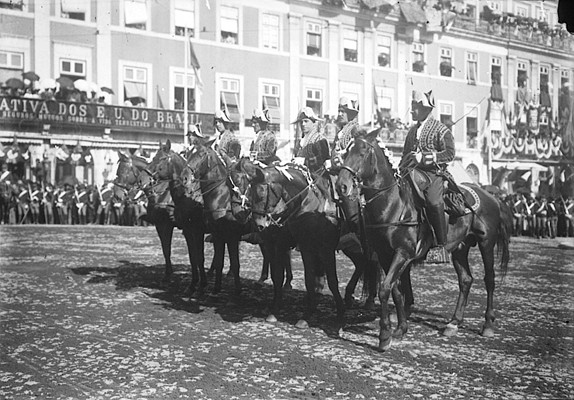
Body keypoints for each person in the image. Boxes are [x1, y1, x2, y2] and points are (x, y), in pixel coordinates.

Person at [400, 90, 455, 263]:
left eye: (415, 107)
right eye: (412, 106)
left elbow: (450, 153)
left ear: (425, 109)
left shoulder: (441, 129)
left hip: (433, 174)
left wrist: (425, 157)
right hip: (411, 172)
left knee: (433, 201)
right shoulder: (411, 132)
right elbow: (404, 155)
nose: (411, 110)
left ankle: (441, 246)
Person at [293, 107, 330, 173]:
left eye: (306, 121)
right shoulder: (299, 141)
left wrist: (304, 161)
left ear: (313, 123)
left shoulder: (320, 139)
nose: (303, 124)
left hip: (317, 177)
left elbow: (322, 159)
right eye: (301, 122)